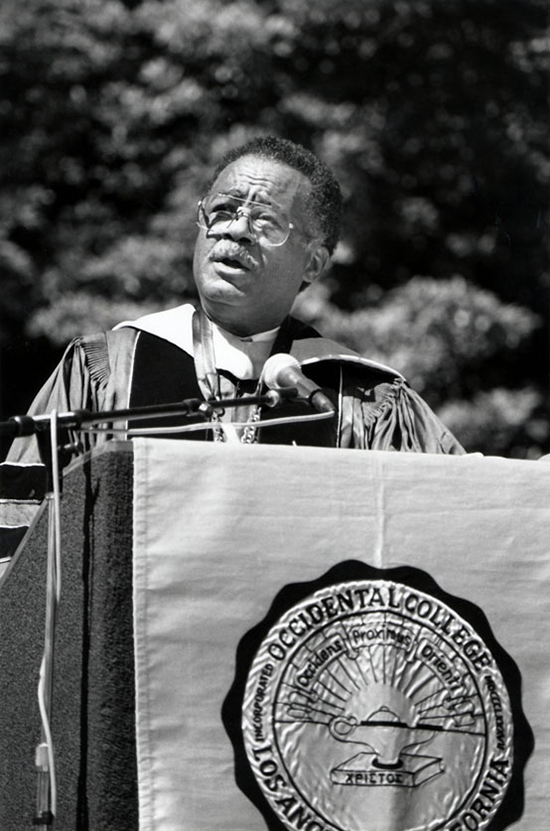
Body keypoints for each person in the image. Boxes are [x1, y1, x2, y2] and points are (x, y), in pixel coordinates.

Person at [0, 136, 464, 565]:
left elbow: (462, 516)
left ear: (314, 262)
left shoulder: (361, 397)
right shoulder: (107, 367)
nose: (236, 230)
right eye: (222, 210)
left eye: (266, 221)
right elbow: (19, 534)